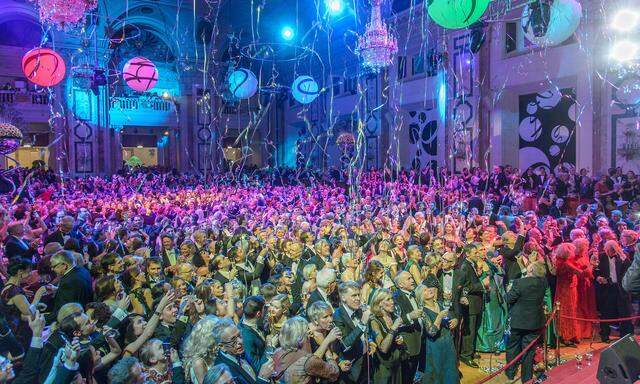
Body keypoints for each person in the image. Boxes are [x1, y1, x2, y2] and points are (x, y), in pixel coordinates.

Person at [261, 316, 341, 384]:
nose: (309, 335)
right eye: (307, 333)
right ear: (300, 337)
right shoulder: (308, 361)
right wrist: (326, 345)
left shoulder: (277, 352)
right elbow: (334, 373)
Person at [504, 262, 548, 382]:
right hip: (535, 322)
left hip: (518, 321)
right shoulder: (544, 282)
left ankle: (510, 372)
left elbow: (508, 299)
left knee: (513, 347)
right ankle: (526, 378)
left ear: (531, 270)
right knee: (529, 351)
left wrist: (509, 290)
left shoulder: (520, 282)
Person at [416, 277, 460, 384]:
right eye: (425, 290)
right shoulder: (423, 312)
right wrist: (439, 317)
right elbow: (431, 332)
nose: (430, 290)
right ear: (421, 296)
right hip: (435, 347)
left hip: (448, 344)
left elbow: (451, 316)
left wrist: (455, 320)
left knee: (450, 370)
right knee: (437, 373)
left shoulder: (440, 304)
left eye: (429, 288)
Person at [333, 281, 374, 384]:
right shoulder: (338, 315)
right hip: (352, 368)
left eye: (359, 295)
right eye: (354, 296)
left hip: (366, 360)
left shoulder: (359, 310)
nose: (358, 299)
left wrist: (369, 340)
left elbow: (366, 332)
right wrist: (363, 322)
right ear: (343, 298)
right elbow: (346, 343)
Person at [595, 240, 633, 342]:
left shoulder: (621, 256)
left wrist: (621, 254)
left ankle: (625, 335)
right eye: (609, 250)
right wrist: (598, 277)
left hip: (620, 288)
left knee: (624, 311)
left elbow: (630, 267)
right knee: (606, 312)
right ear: (606, 249)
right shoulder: (601, 256)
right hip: (607, 287)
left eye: (613, 250)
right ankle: (605, 335)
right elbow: (595, 270)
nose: (611, 252)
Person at [46, 250, 94, 322]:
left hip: (75, 320)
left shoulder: (68, 282)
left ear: (64, 266)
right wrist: (57, 289)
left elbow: (64, 311)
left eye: (54, 266)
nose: (52, 269)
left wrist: (42, 318)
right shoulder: (82, 270)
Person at [368, 289, 404, 383]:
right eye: (388, 300)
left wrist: (400, 339)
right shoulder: (374, 321)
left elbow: (395, 337)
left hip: (397, 363)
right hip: (384, 368)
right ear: (379, 303)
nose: (392, 302)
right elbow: (383, 348)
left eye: (392, 299)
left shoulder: (393, 316)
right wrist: (393, 328)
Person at [213, 317, 258, 384]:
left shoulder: (239, 352)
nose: (240, 341)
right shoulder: (223, 372)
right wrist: (262, 378)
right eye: (233, 340)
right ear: (222, 346)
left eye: (239, 335)